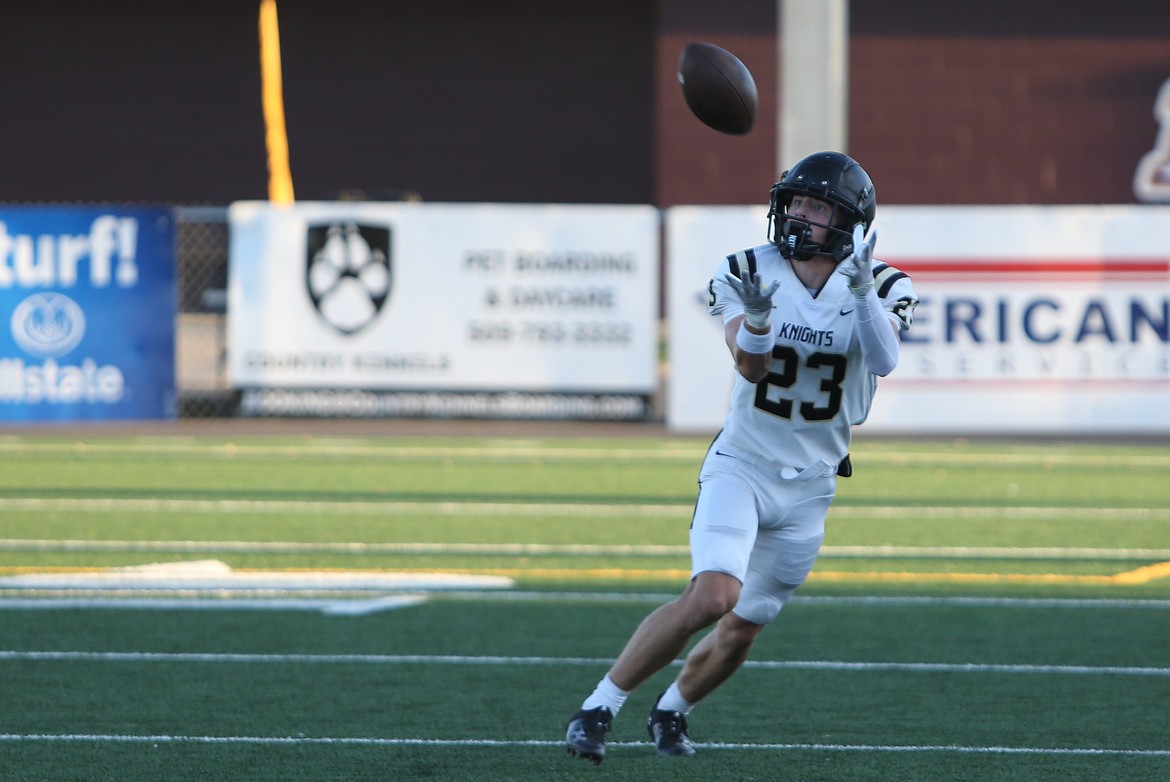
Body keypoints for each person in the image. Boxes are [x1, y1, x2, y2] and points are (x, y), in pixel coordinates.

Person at [564, 151, 919, 764]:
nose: (797, 215)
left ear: (846, 219)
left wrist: (860, 290)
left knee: (744, 626)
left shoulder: (884, 283)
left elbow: (884, 360)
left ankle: (671, 711)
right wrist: (756, 322)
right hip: (744, 462)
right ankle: (597, 708)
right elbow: (750, 366)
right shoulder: (747, 269)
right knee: (713, 596)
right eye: (795, 202)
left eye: (814, 206)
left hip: (812, 482)